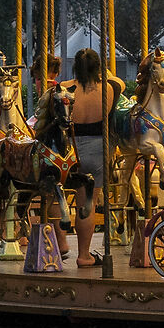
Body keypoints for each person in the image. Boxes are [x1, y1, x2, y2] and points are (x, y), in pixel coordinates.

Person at [64, 48, 125, 271]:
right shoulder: (111, 87)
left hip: (71, 149)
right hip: (98, 148)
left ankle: (60, 243)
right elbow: (119, 81)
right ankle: (84, 254)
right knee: (86, 204)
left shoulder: (65, 88)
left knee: (57, 198)